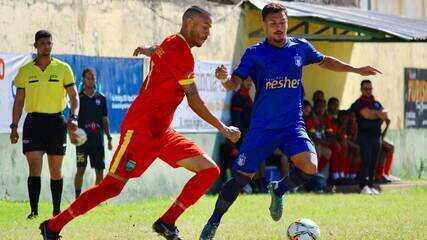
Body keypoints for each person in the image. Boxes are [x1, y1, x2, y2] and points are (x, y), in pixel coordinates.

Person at [39, 6, 240, 240]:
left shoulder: (172, 41)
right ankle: (53, 226)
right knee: (111, 187)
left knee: (209, 171)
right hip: (140, 131)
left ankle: (167, 221)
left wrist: (147, 50)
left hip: (162, 133)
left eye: (210, 29)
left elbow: (159, 50)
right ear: (190, 22)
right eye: (205, 27)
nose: (208, 34)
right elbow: (193, 99)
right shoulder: (181, 52)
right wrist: (223, 128)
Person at [199, 3, 381, 239]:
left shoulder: (300, 47)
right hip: (262, 128)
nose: (279, 28)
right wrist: (225, 80)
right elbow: (235, 83)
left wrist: (355, 69)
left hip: (292, 125)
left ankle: (279, 189)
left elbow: (324, 60)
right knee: (239, 180)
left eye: (282, 23)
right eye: (273, 24)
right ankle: (213, 223)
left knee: (310, 166)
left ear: (287, 23)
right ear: (264, 26)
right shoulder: (254, 54)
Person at [10, 30, 79, 219]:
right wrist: (14, 126)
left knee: (56, 170)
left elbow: (74, 96)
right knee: (34, 168)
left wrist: (73, 116)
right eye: (42, 44)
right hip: (33, 123)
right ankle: (34, 211)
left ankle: (56, 211)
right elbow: (19, 100)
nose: (46, 47)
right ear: (36, 46)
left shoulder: (63, 68)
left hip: (56, 123)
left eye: (49, 43)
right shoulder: (25, 71)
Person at [74, 68, 113, 198]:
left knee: (100, 171)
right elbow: (73, 119)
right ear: (83, 80)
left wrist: (108, 137)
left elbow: (105, 119)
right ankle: (77, 198)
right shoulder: (78, 99)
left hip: (97, 141)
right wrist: (73, 134)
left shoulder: (101, 98)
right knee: (80, 170)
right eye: (88, 78)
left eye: (93, 78)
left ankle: (96, 200)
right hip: (82, 142)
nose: (91, 80)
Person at [351, 79, 389, 194]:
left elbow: (385, 114)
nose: (368, 91)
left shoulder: (375, 103)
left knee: (373, 162)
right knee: (366, 161)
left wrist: (376, 113)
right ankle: (363, 186)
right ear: (361, 90)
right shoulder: (359, 103)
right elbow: (366, 115)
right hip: (364, 136)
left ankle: (371, 185)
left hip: (376, 136)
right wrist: (378, 113)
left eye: (370, 88)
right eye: (366, 89)